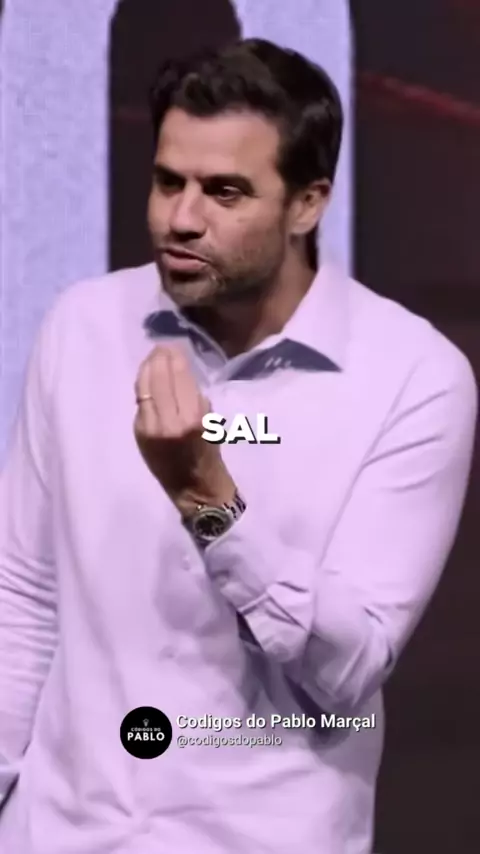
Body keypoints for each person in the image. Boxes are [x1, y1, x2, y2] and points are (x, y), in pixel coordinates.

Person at [0, 37, 477, 854]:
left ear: (308, 204)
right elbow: (24, 599)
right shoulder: (83, 327)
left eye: (225, 192)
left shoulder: (414, 378)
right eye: (168, 182)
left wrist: (208, 501)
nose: (182, 219)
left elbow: (348, 672)